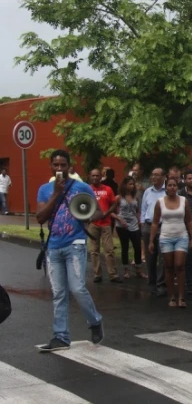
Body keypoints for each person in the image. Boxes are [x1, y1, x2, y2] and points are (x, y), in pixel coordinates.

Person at [36, 150, 104, 352]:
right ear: (51, 166)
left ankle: (94, 321)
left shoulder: (81, 187)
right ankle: (61, 336)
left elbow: (98, 210)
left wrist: (87, 215)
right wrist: (56, 193)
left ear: (69, 166)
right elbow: (40, 217)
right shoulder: (45, 190)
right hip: (54, 246)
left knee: (77, 288)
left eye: (63, 165)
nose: (59, 169)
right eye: (55, 165)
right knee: (58, 293)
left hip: (75, 243)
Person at [149, 177, 192, 308]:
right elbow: (154, 223)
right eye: (169, 185)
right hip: (165, 237)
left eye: (174, 185)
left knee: (180, 265)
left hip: (181, 236)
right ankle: (172, 297)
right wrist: (151, 241)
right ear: (166, 187)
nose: (172, 188)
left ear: (177, 187)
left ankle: (181, 297)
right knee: (169, 266)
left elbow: (189, 221)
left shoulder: (183, 201)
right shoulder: (160, 202)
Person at [88, 169, 121, 283]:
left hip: (106, 223)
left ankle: (113, 274)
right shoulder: (87, 190)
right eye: (93, 176)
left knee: (109, 250)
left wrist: (107, 213)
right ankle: (97, 274)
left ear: (101, 176)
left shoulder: (107, 189)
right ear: (90, 177)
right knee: (94, 250)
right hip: (93, 224)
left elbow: (114, 204)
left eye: (97, 175)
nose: (95, 178)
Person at [141, 168, 168, 295]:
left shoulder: (167, 191)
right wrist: (142, 225)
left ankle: (161, 284)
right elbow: (143, 209)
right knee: (150, 256)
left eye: (157, 175)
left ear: (163, 177)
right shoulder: (147, 191)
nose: (154, 177)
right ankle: (151, 283)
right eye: (152, 175)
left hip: (163, 226)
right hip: (148, 226)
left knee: (163, 257)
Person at [113, 176, 145, 279]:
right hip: (122, 225)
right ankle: (126, 270)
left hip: (134, 224)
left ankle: (138, 269)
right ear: (125, 185)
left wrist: (140, 221)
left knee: (137, 247)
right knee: (125, 247)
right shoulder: (118, 197)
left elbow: (138, 211)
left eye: (133, 184)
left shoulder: (136, 197)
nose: (132, 186)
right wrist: (120, 220)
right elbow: (111, 212)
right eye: (130, 184)